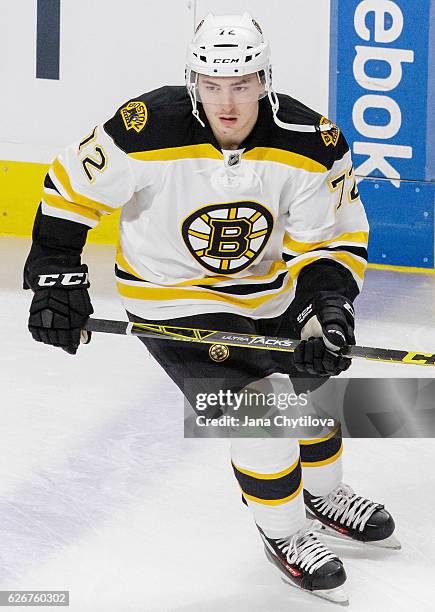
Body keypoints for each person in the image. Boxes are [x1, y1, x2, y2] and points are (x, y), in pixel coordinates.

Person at [24, 13, 400, 605]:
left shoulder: (311, 140)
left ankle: (324, 495)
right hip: (171, 300)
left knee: (312, 391)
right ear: (192, 78)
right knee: (260, 413)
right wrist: (56, 279)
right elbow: (69, 190)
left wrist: (327, 308)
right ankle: (285, 534)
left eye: (243, 84)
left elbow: (330, 240)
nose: (227, 102)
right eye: (212, 83)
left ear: (265, 80)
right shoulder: (143, 127)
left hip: (269, 291)